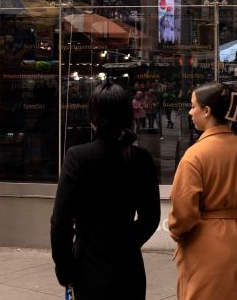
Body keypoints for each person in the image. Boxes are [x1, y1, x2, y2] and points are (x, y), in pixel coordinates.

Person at [50, 82, 160, 300]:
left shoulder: (77, 157)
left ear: (94, 117)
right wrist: (127, 242)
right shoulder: (141, 158)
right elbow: (151, 218)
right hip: (129, 267)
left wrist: (64, 270)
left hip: (88, 265)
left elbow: (60, 223)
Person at [169, 82, 237, 300]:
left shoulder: (195, 155)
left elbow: (183, 211)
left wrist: (177, 233)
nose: (190, 111)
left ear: (206, 111)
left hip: (203, 241)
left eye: (193, 106)